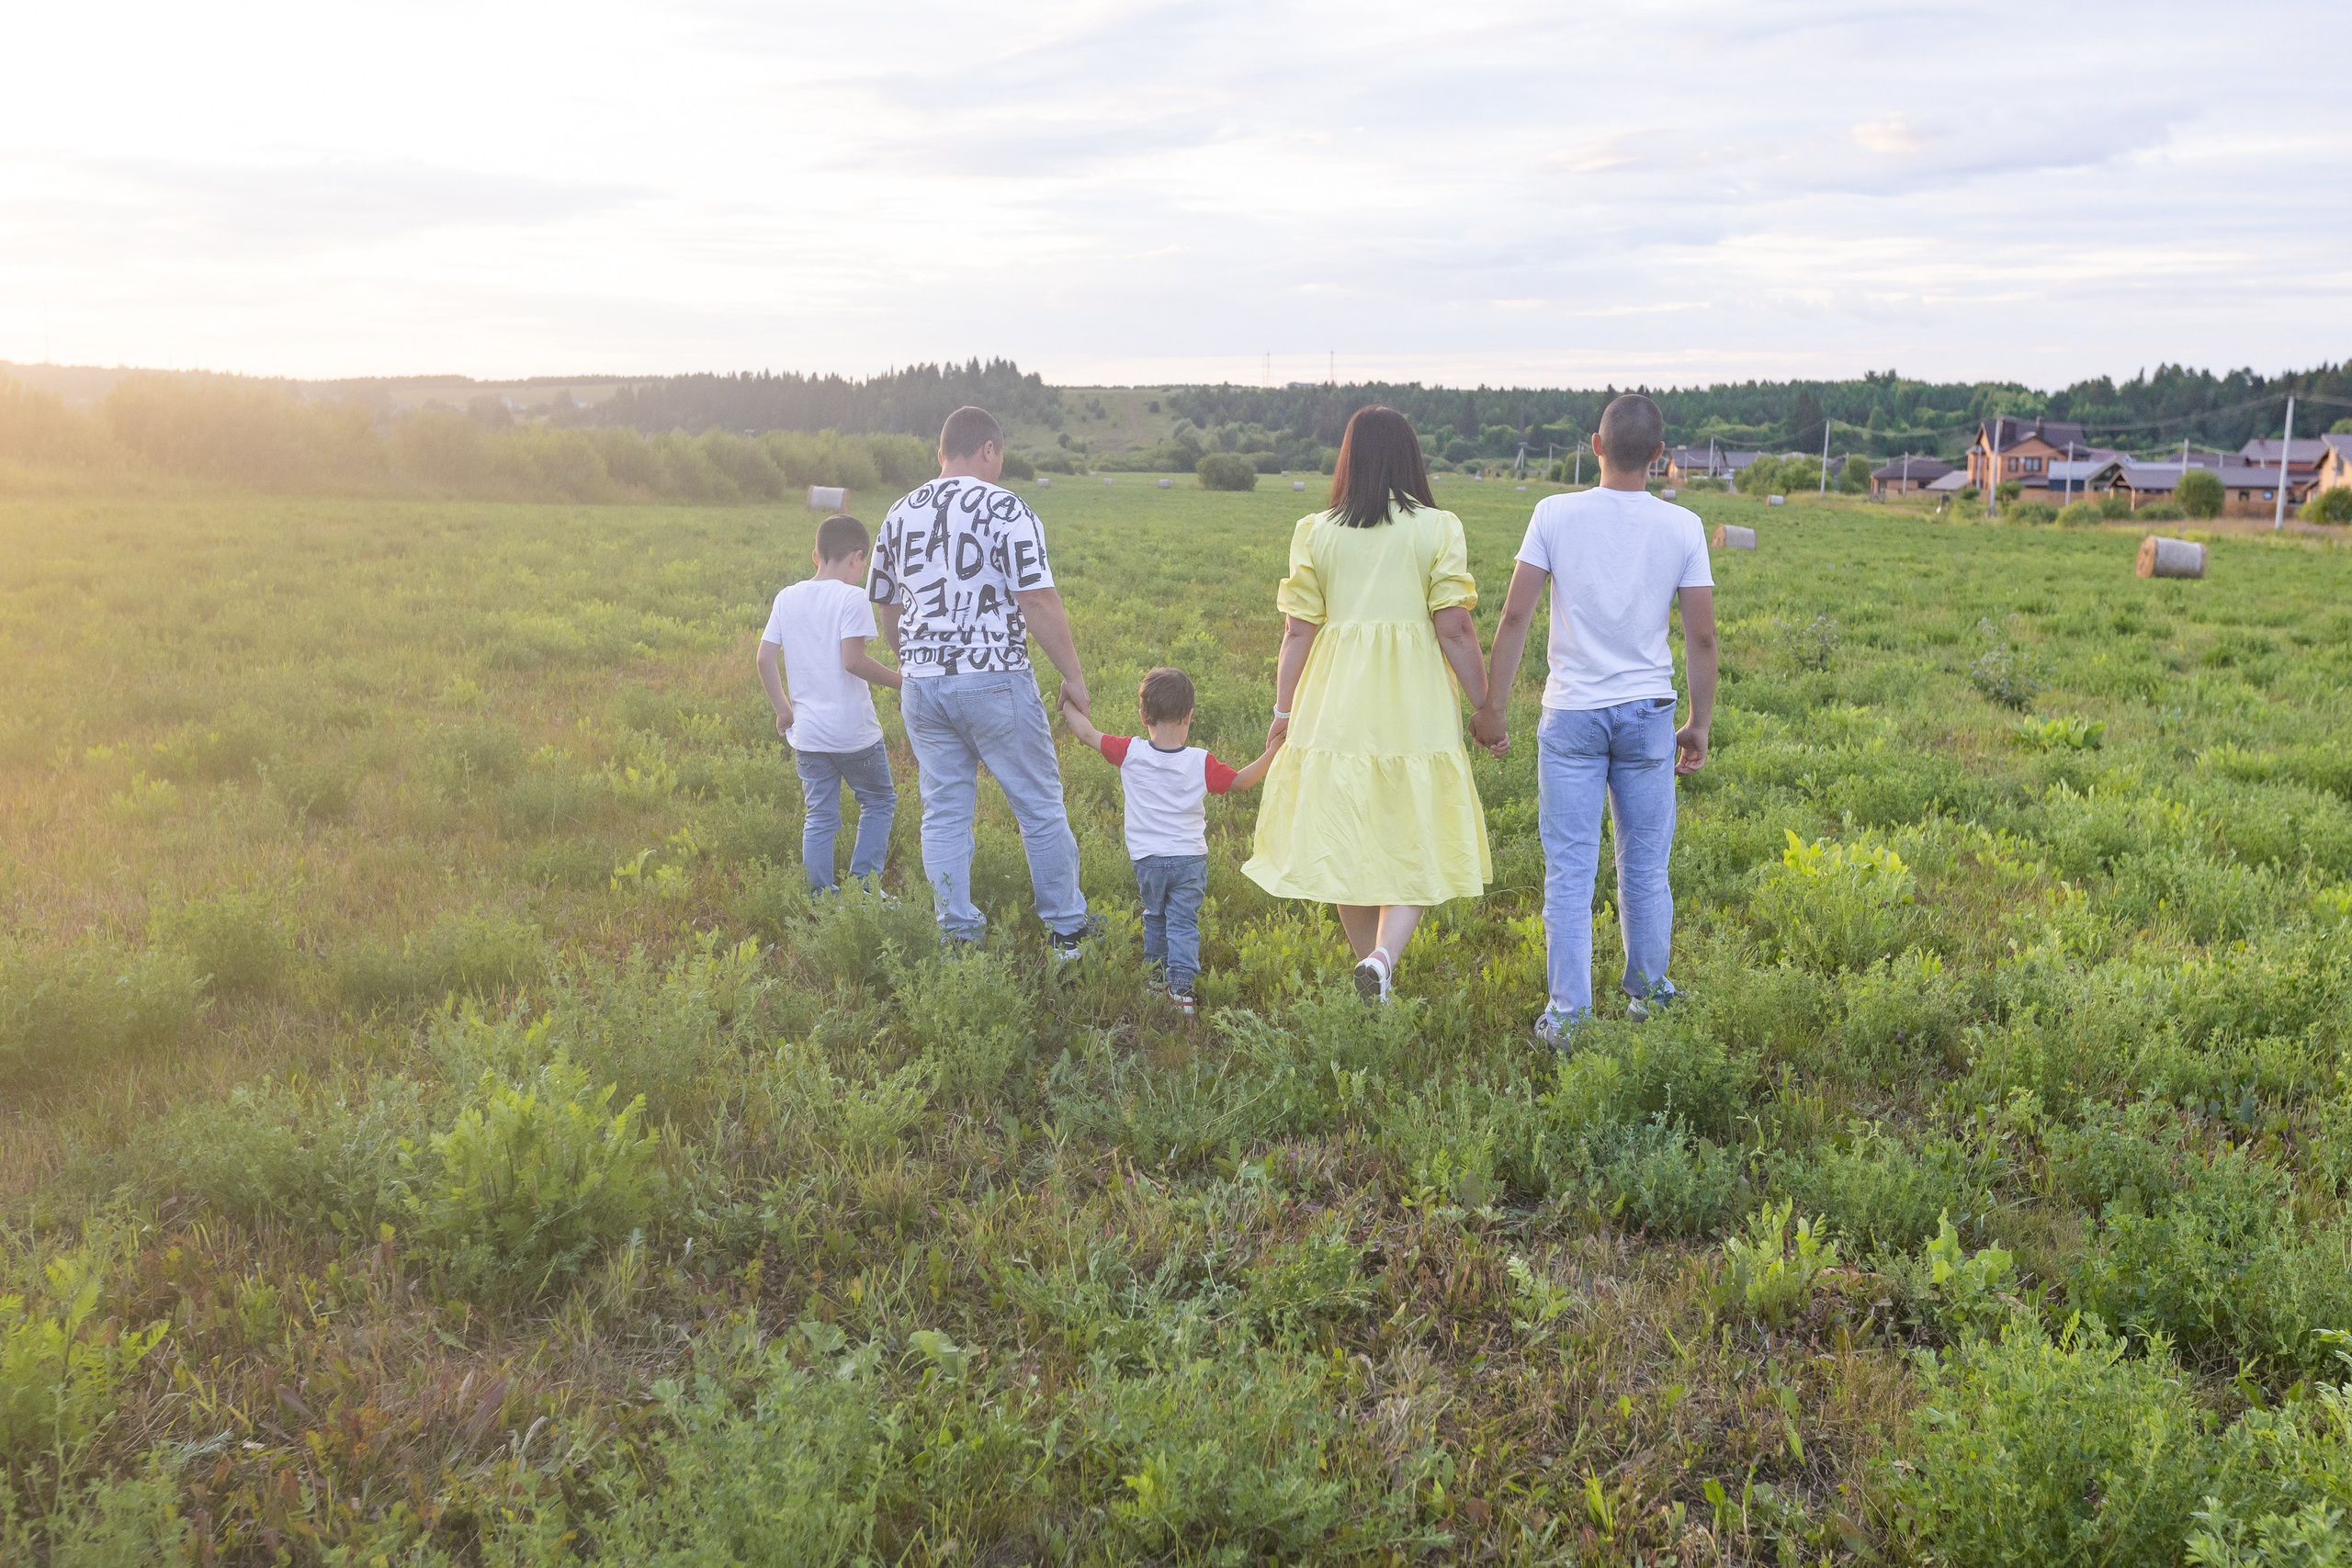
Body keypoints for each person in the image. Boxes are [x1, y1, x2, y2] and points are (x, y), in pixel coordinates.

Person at [1473, 392, 1718, 1048]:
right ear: (1659, 455)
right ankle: (1651, 996)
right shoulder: (1684, 526)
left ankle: (1568, 1016)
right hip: (1648, 713)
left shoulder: (1553, 514)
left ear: (1596, 445)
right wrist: (1699, 722)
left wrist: (1493, 708)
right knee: (1646, 866)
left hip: (1572, 715)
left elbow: (1516, 616)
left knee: (1570, 871)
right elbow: (1701, 637)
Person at [1241, 405, 1493, 1002]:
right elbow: (1456, 628)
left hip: (1335, 700)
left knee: (1346, 835)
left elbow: (1296, 633)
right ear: (1411, 457)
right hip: (1413, 700)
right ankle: (1382, 960)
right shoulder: (1438, 527)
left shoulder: (1316, 530)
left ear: (1348, 459)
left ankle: (1373, 971)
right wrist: (1486, 706)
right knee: (1419, 828)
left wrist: (1283, 713)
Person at [869, 405, 1097, 953]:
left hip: (922, 684)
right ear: (989, 450)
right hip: (994, 676)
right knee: (1038, 806)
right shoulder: (1006, 507)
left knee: (944, 813)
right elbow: (1037, 598)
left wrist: (910, 659)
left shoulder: (899, 512)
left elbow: (886, 603)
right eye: (999, 457)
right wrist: (1073, 675)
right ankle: (1067, 933)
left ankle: (957, 937)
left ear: (942, 452)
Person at [1058, 667, 1282, 1016]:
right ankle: (1180, 991)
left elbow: (1086, 733)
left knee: (1155, 917)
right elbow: (1240, 782)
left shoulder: (1129, 751)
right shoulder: (1200, 761)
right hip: (1189, 860)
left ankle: (1155, 980)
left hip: (1147, 860)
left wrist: (1067, 702)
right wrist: (1275, 751)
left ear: (1143, 715)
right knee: (1182, 922)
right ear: (1189, 716)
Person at [756, 513, 902, 893]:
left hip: (808, 734)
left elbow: (764, 658)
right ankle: (864, 891)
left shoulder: (787, 597)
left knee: (820, 816)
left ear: (815, 555)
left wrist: (783, 710)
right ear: (858, 557)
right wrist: (902, 682)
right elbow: (853, 661)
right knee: (878, 801)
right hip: (854, 733)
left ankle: (820, 899)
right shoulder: (852, 597)